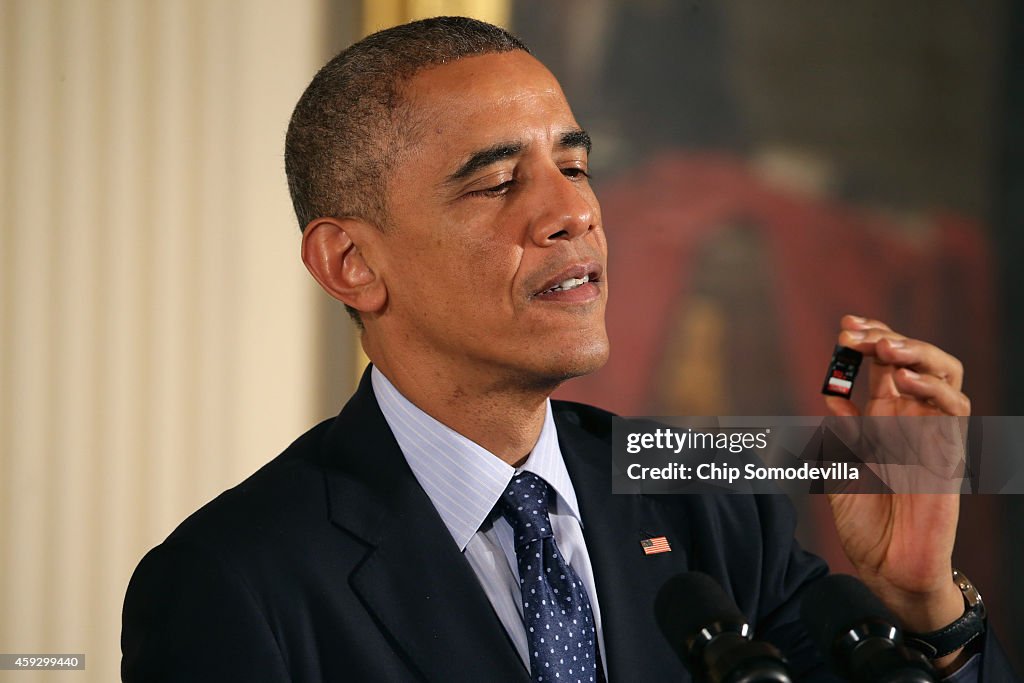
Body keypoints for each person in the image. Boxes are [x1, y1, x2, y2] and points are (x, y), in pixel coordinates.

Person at [121, 17, 1015, 682]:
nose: (574, 212)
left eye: (575, 167)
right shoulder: (229, 582)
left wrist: (917, 604)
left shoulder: (709, 503)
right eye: (501, 181)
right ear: (351, 262)